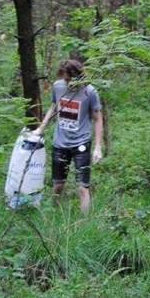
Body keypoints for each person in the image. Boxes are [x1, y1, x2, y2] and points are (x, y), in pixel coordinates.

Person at [32, 59, 103, 213]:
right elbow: (53, 108)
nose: (68, 82)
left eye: (71, 79)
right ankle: (53, 215)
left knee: (82, 188)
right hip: (60, 143)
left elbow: (97, 118)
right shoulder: (58, 87)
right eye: (66, 79)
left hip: (81, 143)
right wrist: (40, 128)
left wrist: (97, 147)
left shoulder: (89, 91)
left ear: (78, 76)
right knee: (58, 185)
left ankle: (85, 224)